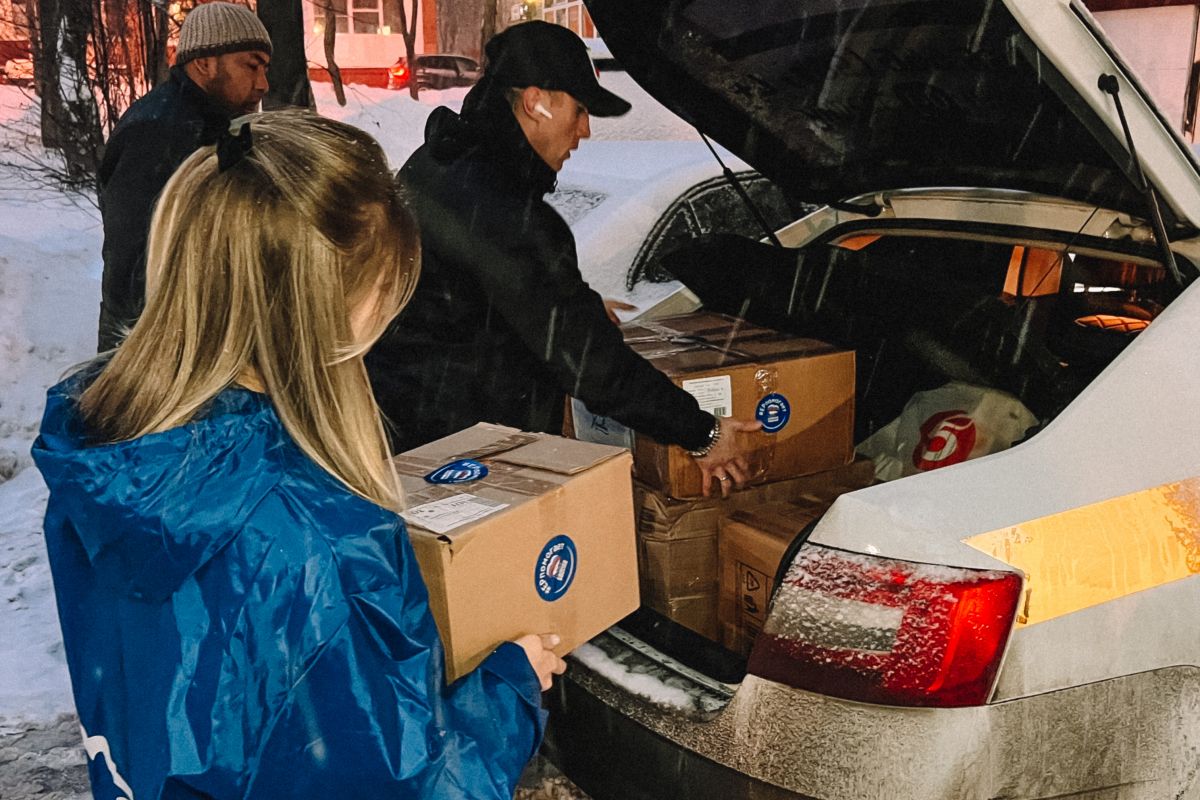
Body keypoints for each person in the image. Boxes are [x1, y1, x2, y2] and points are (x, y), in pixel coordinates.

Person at [33, 112, 564, 800]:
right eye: (384, 294)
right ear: (325, 313)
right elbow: (413, 787)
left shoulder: (107, 455)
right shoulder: (324, 544)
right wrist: (511, 688)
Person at [366, 20, 760, 498]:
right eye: (579, 110)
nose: (586, 130)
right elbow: (588, 364)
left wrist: (575, 309)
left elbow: (501, 291)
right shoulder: (504, 209)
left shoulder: (444, 162)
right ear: (537, 102)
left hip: (410, 435)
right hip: (458, 461)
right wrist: (704, 433)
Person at [96, 1, 272, 352]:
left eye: (265, 69)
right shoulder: (160, 132)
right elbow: (136, 266)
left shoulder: (213, 126)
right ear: (204, 63)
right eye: (251, 67)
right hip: (157, 347)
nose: (263, 84)